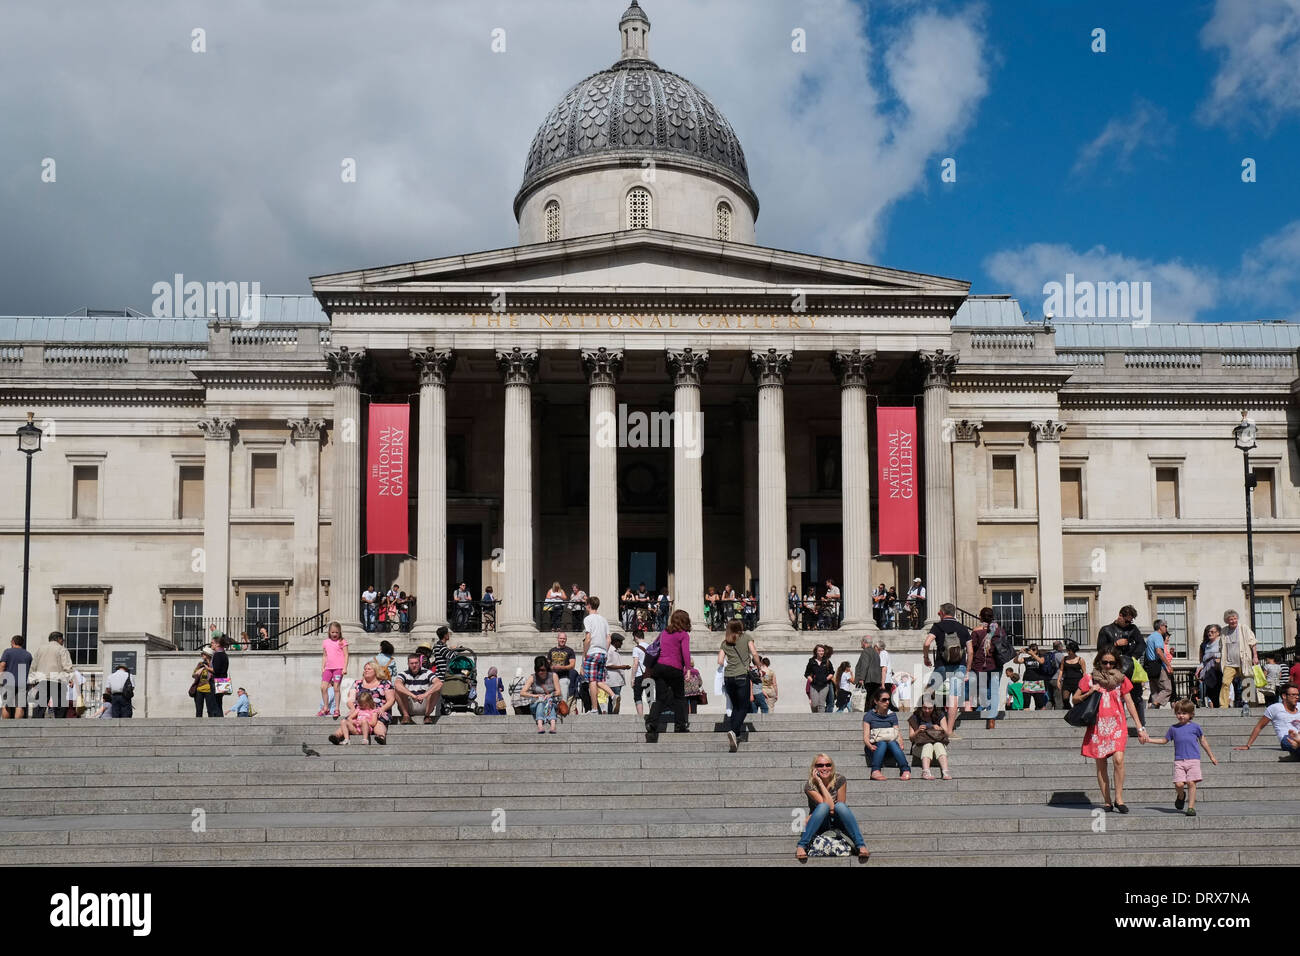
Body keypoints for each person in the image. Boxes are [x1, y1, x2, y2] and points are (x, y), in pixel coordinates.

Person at [1072, 648, 1150, 812]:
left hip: (1117, 725)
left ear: (1117, 663)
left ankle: (1119, 799)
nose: (1107, 666)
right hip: (1098, 726)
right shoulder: (1090, 679)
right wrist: (1089, 693)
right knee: (1101, 764)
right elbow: (1075, 699)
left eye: (1111, 663)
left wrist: (1140, 727)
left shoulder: (1122, 680)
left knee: (1119, 760)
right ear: (1099, 662)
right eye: (1104, 662)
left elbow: (1130, 703)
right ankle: (1107, 801)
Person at [1144, 698, 1217, 815]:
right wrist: (1149, 740)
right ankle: (1181, 795)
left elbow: (1203, 741)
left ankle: (1191, 807)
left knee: (1191, 783)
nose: (1181, 716)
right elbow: (1164, 740)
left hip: (1193, 760)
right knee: (1179, 784)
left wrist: (1211, 756)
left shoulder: (1195, 727)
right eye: (1178, 713)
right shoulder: (1173, 728)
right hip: (1179, 761)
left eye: (1184, 713)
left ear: (1191, 714)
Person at [795, 754, 870, 863]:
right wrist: (820, 783)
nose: (824, 768)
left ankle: (860, 845)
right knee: (823, 806)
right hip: (821, 821)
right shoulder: (810, 786)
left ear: (832, 766)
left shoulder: (840, 780)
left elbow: (838, 806)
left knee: (840, 806)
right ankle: (802, 845)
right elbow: (828, 807)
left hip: (837, 820)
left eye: (828, 765)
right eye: (820, 765)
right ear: (814, 768)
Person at [645, 609, 693, 740]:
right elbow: (685, 653)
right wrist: (688, 669)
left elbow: (655, 648)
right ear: (684, 620)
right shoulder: (683, 634)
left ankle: (651, 723)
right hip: (674, 668)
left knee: (660, 698)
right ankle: (680, 725)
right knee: (679, 697)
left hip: (659, 667)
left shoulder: (664, 632)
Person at [922, 603, 971, 730]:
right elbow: (970, 651)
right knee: (953, 697)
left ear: (942, 613)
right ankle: (949, 730)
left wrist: (926, 657)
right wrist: (968, 670)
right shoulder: (963, 628)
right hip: (960, 665)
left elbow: (927, 643)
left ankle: (928, 721)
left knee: (928, 692)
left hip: (942, 664)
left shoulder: (938, 626)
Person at [1098, 605, 1147, 724]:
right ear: (1120, 615)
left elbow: (1142, 644)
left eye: (1130, 621)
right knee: (1114, 697)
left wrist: (1133, 657)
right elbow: (1100, 649)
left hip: (1130, 668)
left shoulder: (1133, 629)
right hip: (1112, 669)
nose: (1128, 623)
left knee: (1137, 696)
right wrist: (1115, 644)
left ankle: (1140, 724)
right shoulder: (1106, 630)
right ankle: (1117, 723)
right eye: (1126, 621)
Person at [329, 662, 394, 745]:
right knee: (347, 721)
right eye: (365, 669)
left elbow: (391, 699)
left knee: (378, 722)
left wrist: (383, 709)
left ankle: (380, 736)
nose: (366, 671)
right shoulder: (357, 683)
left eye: (369, 669)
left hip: (378, 711)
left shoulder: (385, 683)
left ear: (376, 671)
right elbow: (350, 700)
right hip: (360, 710)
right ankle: (336, 736)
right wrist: (352, 709)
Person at [718, 620, 759, 751]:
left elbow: (719, 661)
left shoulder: (725, 642)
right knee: (744, 706)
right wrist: (759, 665)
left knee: (735, 706)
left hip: (728, 677)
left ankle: (735, 733)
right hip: (742, 675)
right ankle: (734, 731)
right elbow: (754, 653)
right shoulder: (746, 637)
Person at [1235, 683, 1300, 756]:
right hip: (1287, 738)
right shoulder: (1275, 708)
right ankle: (1297, 742)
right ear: (1284, 696)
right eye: (1293, 695)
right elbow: (1259, 726)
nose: (1297, 697)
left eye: (1297, 695)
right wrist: (1248, 745)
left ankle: (1298, 743)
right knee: (1292, 740)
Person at [967, 609, 1003, 729]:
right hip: (996, 664)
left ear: (980, 617)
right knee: (994, 691)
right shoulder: (999, 630)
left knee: (982, 689)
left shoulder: (976, 631)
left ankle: (983, 708)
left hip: (981, 664)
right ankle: (991, 719)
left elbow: (972, 649)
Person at [863, 690, 910, 780]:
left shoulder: (892, 715)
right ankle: (875, 771)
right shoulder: (869, 716)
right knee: (882, 743)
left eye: (888, 699)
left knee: (892, 743)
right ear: (876, 701)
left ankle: (905, 770)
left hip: (890, 748)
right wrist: (869, 746)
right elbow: (866, 736)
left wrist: (900, 743)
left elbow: (897, 732)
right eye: (884, 700)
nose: (887, 702)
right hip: (874, 747)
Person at [1218, 609, 1258, 709]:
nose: (1233, 621)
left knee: (1247, 682)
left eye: (1235, 618)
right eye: (1231, 619)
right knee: (1225, 682)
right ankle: (1223, 705)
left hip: (1243, 661)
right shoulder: (1223, 631)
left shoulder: (1243, 628)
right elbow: (1221, 647)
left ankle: (1250, 704)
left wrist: (1255, 656)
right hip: (1229, 663)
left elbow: (1252, 642)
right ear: (1227, 620)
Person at [581, 595, 615, 713]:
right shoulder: (604, 620)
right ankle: (613, 695)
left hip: (593, 652)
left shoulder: (588, 619)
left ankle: (594, 708)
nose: (585, 607)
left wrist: (585, 653)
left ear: (589, 605)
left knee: (592, 681)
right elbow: (609, 639)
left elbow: (588, 638)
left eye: (586, 605)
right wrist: (605, 651)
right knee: (599, 680)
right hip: (602, 653)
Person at [30, 631, 74, 719]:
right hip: (57, 679)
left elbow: (33, 665)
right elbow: (67, 666)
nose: (63, 642)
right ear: (59, 639)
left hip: (42, 679)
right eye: (62, 640)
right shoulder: (62, 649)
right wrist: (70, 679)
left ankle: (35, 724)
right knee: (59, 705)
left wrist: (32, 679)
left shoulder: (40, 649)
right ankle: (59, 725)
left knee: (40, 705)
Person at [908, 701, 952, 780]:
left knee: (938, 744)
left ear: (934, 707)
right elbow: (911, 738)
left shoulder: (939, 715)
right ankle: (925, 772)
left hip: (937, 744)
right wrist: (918, 730)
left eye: (930, 708)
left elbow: (947, 733)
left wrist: (940, 728)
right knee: (928, 745)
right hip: (919, 746)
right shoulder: (915, 717)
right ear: (921, 706)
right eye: (925, 708)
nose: (927, 710)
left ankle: (945, 771)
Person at [394, 652, 440, 724]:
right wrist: (413, 696)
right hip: (409, 704)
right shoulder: (403, 674)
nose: (414, 665)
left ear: (420, 663)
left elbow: (439, 683)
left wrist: (424, 695)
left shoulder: (427, 672)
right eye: (412, 663)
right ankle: (406, 716)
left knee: (435, 688)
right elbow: (397, 684)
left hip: (424, 704)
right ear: (408, 664)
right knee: (398, 689)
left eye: (416, 663)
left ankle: (427, 716)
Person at [317, 621, 348, 719]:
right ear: (329, 632)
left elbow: (346, 655)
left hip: (338, 668)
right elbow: (324, 655)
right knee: (323, 687)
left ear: (340, 632)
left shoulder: (342, 641)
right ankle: (326, 707)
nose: (334, 634)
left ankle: (337, 709)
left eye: (336, 632)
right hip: (328, 668)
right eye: (332, 632)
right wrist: (323, 667)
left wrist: (345, 667)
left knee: (336, 688)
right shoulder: (325, 642)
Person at [521, 656, 560, 733]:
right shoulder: (533, 677)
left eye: (542, 670)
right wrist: (535, 696)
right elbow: (522, 693)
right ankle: (540, 725)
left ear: (546, 668)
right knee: (540, 703)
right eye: (538, 670)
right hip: (536, 703)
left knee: (550, 701)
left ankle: (553, 725)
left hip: (550, 702)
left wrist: (550, 695)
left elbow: (558, 692)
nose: (540, 672)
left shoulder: (553, 676)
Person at [0, 635, 33, 719]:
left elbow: (2, 665)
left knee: (6, 705)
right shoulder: (28, 654)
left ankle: (6, 726)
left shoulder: (7, 652)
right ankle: (17, 726)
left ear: (13, 642)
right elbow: (30, 669)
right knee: (19, 706)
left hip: (8, 682)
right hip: (22, 682)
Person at [1145, 619, 1174, 708]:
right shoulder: (1158, 636)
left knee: (1155, 690)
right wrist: (1168, 665)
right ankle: (1155, 704)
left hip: (1150, 665)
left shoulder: (1150, 637)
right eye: (1165, 626)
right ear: (1161, 626)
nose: (1166, 628)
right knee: (1167, 688)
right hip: (1158, 665)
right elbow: (1159, 651)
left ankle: (1154, 708)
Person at [547, 632, 579, 701]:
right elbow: (547, 664)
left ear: (566, 640)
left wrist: (561, 667)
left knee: (563, 700)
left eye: (564, 639)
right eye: (561, 638)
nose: (562, 640)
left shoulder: (570, 651)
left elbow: (572, 665)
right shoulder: (551, 650)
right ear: (557, 639)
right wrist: (551, 667)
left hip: (564, 677)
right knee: (551, 700)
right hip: (552, 678)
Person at [206, 633, 231, 718]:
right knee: (219, 703)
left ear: (218, 644)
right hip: (222, 681)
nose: (211, 645)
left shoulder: (217, 654)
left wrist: (207, 667)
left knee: (215, 704)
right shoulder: (224, 654)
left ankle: (217, 721)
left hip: (216, 681)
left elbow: (215, 670)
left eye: (212, 643)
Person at [1017, 645, 1049, 711]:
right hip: (1027, 681)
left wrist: (1033, 654)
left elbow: (1041, 661)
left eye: (1034, 649)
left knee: (1039, 704)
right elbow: (1016, 661)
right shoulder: (1026, 659)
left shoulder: (1041, 657)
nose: (1032, 651)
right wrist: (1019, 653)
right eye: (1031, 649)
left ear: (1037, 650)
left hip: (1038, 681)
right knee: (1026, 702)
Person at [804, 644, 834, 713]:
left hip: (824, 685)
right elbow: (807, 673)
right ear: (816, 652)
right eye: (819, 651)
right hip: (814, 685)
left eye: (822, 651)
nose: (821, 652)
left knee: (821, 705)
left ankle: (821, 721)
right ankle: (815, 718)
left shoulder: (827, 661)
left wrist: (826, 679)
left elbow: (832, 672)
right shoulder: (811, 661)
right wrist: (811, 680)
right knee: (814, 705)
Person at [1198, 624, 1223, 707]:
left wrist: (1218, 658)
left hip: (1217, 669)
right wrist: (1199, 668)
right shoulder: (1206, 644)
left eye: (1212, 632)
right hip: (1208, 670)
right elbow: (1202, 659)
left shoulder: (1221, 642)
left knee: (1218, 689)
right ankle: (1215, 705)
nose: (1210, 633)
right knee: (1211, 691)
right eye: (1209, 632)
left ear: (1218, 633)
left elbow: (1224, 654)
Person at [1057, 641, 1085, 715]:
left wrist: (1085, 683)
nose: (1068, 652)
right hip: (1067, 681)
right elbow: (1061, 670)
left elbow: (1084, 672)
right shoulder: (1064, 658)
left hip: (1078, 682)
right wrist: (1058, 680)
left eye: (1070, 650)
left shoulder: (1080, 660)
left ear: (1074, 650)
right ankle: (1069, 711)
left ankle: (1076, 714)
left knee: (1076, 700)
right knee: (1065, 699)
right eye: (1067, 650)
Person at [605, 634, 630, 714]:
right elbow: (608, 665)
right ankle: (613, 717)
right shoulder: (610, 651)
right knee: (614, 700)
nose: (621, 644)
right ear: (615, 642)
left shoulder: (615, 651)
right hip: (613, 681)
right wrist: (622, 667)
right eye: (620, 642)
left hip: (618, 680)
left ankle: (613, 716)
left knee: (614, 701)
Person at [853, 637, 881, 705]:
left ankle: (867, 714)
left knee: (866, 700)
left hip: (868, 679)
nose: (861, 644)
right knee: (873, 699)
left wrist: (861, 678)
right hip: (876, 679)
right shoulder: (876, 652)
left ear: (864, 642)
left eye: (861, 642)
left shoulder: (865, 651)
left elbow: (864, 665)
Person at [191, 648, 214, 717]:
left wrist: (208, 668)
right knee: (199, 710)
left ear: (207, 655)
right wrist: (202, 668)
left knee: (210, 710)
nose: (201, 655)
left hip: (209, 690)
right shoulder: (200, 664)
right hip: (199, 690)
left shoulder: (212, 664)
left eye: (203, 654)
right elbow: (194, 675)